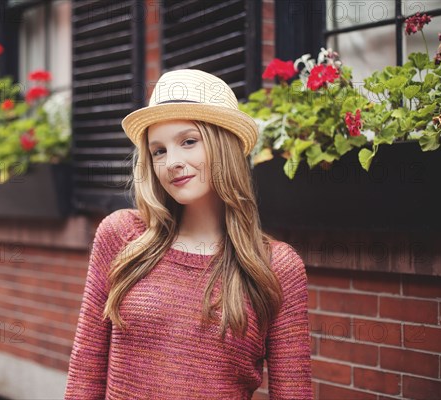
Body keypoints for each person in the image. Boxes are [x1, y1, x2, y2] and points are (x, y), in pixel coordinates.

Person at [64, 69, 311, 399]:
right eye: (158, 151)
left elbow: (293, 391)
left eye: (188, 142)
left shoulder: (277, 266)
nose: (171, 163)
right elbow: (85, 371)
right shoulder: (122, 236)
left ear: (224, 147)